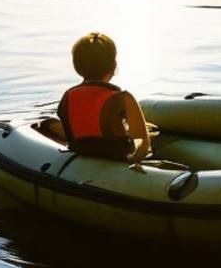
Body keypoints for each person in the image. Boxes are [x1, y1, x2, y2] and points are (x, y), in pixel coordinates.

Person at [55, 32, 153, 167]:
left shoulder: (67, 96)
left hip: (81, 160)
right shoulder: (123, 98)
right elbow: (143, 144)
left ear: (77, 67)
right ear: (113, 66)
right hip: (119, 162)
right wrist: (133, 159)